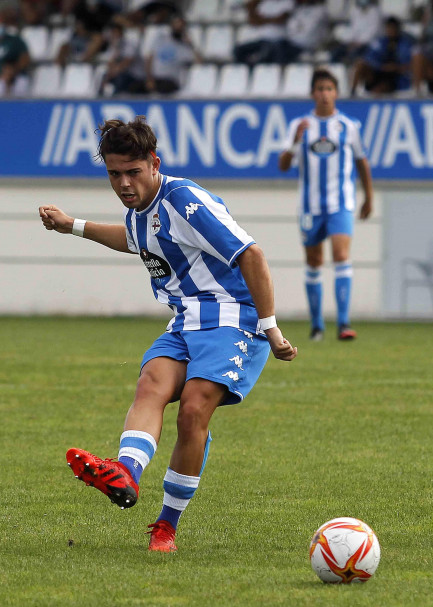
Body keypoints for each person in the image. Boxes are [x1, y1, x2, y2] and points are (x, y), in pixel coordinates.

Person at [38, 116, 297, 553]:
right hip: (184, 320)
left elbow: (251, 254)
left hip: (232, 318)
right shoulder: (141, 210)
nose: (123, 183)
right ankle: (125, 472)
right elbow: (134, 239)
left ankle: (166, 526)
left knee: (192, 410)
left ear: (154, 163)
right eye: (114, 174)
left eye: (132, 172)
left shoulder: (183, 199)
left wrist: (270, 327)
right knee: (150, 383)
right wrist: (73, 225)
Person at [278, 68, 374, 341]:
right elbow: (283, 165)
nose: (324, 94)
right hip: (309, 206)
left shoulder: (348, 126)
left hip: (340, 203)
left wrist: (369, 196)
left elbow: (361, 161)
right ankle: (317, 325)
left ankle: (344, 323)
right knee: (314, 261)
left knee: (341, 255)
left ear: (336, 93)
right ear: (312, 93)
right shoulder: (300, 125)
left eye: (329, 89)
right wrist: (295, 141)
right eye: (319, 89)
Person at [350, 16, 416, 95]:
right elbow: (369, 58)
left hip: (395, 77)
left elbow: (412, 64)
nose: (391, 31)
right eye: (389, 28)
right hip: (378, 72)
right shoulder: (379, 42)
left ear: (398, 29)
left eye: (393, 28)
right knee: (360, 63)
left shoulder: (406, 44)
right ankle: (353, 92)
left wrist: (396, 67)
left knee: (379, 89)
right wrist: (383, 67)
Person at [144, 14, 201, 95]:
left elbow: (199, 61)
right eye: (176, 25)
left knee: (164, 88)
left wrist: (191, 45)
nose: (178, 28)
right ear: (172, 26)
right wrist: (149, 78)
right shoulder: (161, 39)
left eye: (181, 26)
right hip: (155, 78)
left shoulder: (183, 47)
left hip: (170, 81)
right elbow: (150, 58)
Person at [0, 8, 30, 97]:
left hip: (15, 78)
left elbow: (25, 58)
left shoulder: (14, 40)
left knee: (20, 83)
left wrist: (13, 70)